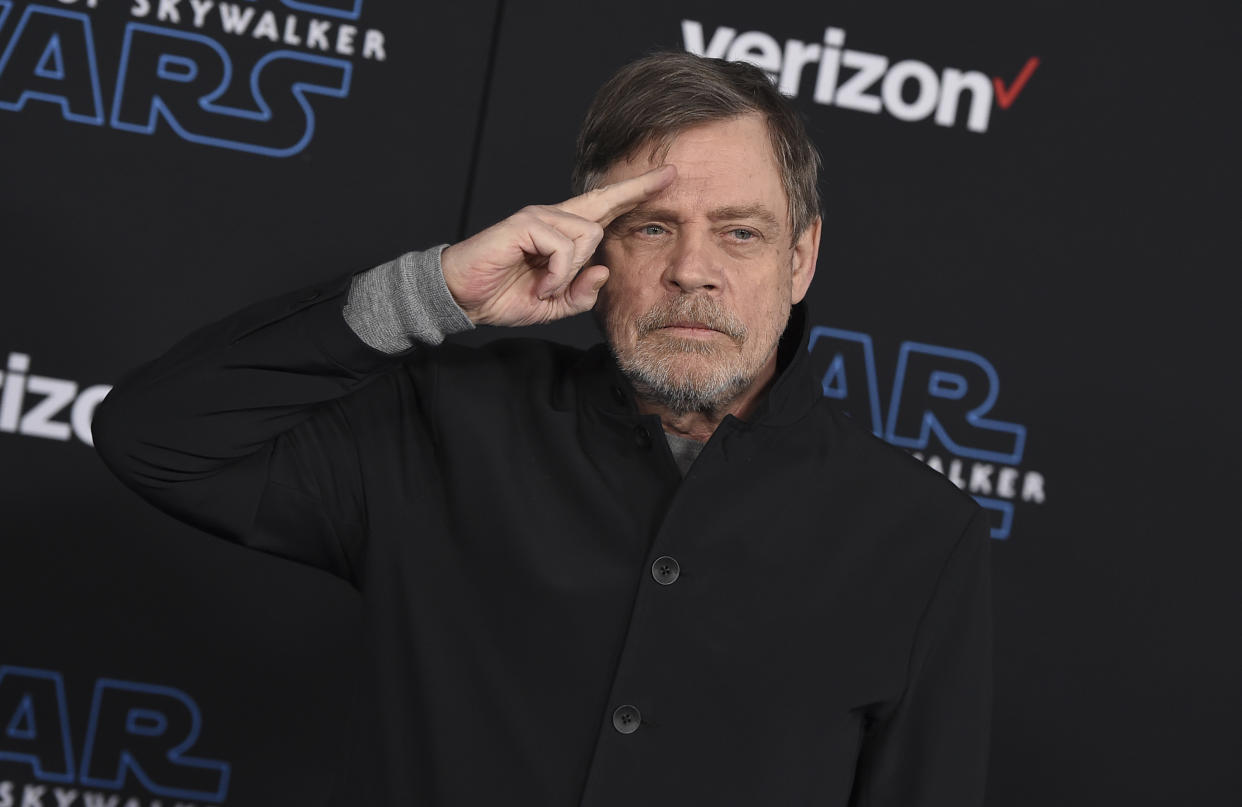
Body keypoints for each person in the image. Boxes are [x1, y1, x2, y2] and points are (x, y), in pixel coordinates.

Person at [93, 52, 992, 806]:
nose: (692, 271)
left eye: (741, 233)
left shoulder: (919, 535)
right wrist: (431, 292)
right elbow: (153, 436)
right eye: (649, 226)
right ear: (592, 242)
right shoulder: (445, 424)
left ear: (801, 259)